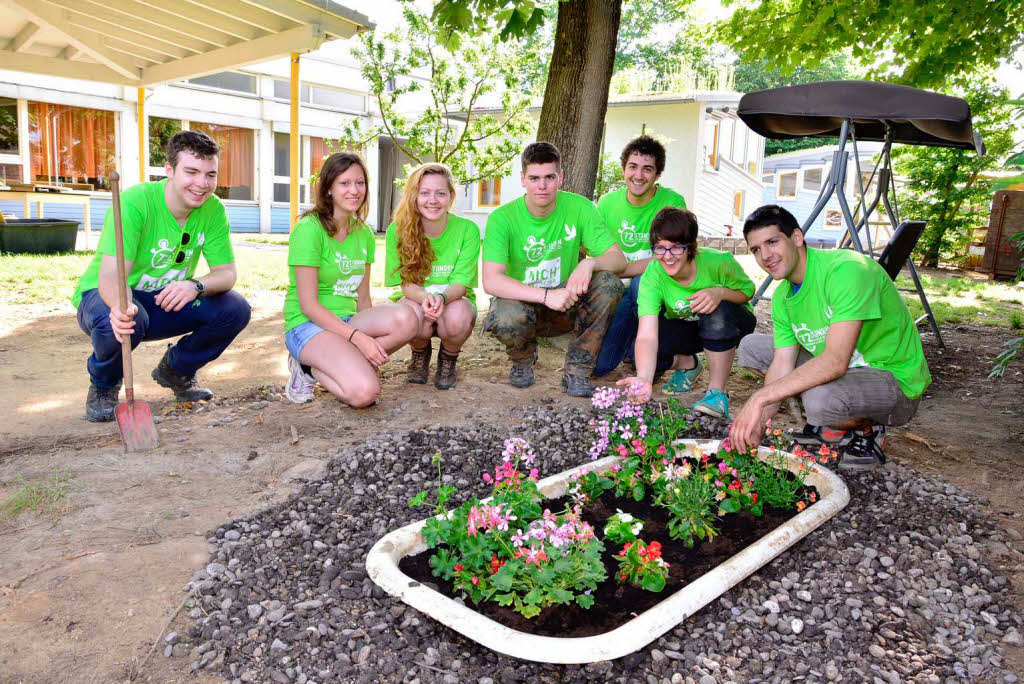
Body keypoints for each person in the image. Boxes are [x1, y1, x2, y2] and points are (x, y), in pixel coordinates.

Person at [729, 205, 932, 469]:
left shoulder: (847, 270)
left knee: (819, 400)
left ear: (797, 238)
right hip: (847, 373)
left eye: (772, 242)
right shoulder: (782, 296)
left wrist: (758, 399)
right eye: (756, 249)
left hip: (893, 380)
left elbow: (835, 361)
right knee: (752, 348)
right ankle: (833, 425)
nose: (765, 255)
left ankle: (868, 431)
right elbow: (781, 364)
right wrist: (758, 425)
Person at [73, 130, 251, 422]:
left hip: (163, 300)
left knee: (234, 308)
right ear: (169, 170)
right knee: (123, 319)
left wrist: (196, 285)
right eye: (191, 172)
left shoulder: (213, 209)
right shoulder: (136, 201)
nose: (202, 184)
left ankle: (176, 370)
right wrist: (121, 306)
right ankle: (103, 386)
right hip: (108, 295)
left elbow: (227, 273)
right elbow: (110, 276)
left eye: (210, 175)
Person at [481, 142, 626, 397]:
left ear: (560, 178)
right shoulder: (501, 218)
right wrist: (546, 296)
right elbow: (491, 281)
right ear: (523, 179)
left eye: (549, 177)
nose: (542, 185)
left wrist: (589, 262)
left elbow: (618, 260)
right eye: (534, 178)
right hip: (524, 302)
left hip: (567, 301)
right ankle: (523, 359)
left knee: (609, 284)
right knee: (506, 317)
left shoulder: (579, 207)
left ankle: (577, 370)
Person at [283, 152, 418, 406]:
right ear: (329, 188)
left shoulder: (363, 232)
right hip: (307, 325)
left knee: (410, 318)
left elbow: (363, 297)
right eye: (344, 183)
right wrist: (358, 339)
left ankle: (350, 361)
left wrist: (362, 337)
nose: (354, 190)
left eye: (360, 183)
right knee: (365, 394)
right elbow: (308, 306)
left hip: (347, 321)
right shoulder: (309, 229)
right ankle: (306, 367)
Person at [616, 208, 756, 417]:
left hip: (732, 324)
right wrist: (644, 378)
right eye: (660, 248)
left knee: (715, 311)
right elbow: (647, 334)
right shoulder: (653, 274)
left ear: (691, 247)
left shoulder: (719, 261)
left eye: (676, 248)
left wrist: (719, 292)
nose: (667, 256)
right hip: (689, 327)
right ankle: (689, 364)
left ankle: (717, 393)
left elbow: (747, 292)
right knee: (640, 355)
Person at [594, 135, 687, 377]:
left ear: (657, 175)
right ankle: (630, 352)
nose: (639, 175)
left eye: (648, 169)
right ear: (624, 169)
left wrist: (621, 268)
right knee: (599, 366)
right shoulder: (606, 203)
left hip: (658, 288)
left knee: (640, 284)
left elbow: (670, 258)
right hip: (616, 288)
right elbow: (598, 253)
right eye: (633, 167)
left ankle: (648, 355)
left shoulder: (672, 203)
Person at [384, 163, 480, 389]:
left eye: (440, 193)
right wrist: (425, 298)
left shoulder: (468, 230)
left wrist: (442, 299)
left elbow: (461, 283)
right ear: (414, 196)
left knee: (457, 318)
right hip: (416, 297)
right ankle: (420, 353)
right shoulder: (397, 230)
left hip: (454, 299)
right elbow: (406, 284)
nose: (433, 200)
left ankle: (448, 358)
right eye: (424, 193)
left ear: (451, 196)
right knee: (410, 315)